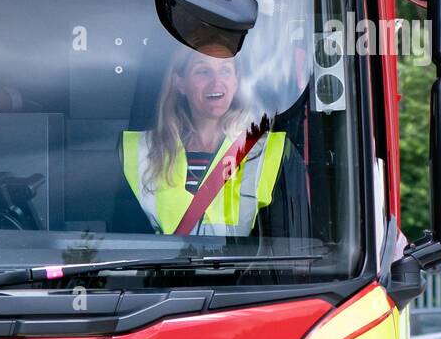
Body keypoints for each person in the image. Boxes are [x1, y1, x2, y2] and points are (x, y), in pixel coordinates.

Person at [112, 43, 308, 237]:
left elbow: (286, 249)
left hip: (244, 269)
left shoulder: (273, 151)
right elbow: (125, 242)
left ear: (236, 81)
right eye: (202, 71)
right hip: (161, 268)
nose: (216, 82)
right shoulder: (139, 151)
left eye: (225, 71)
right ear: (179, 83)